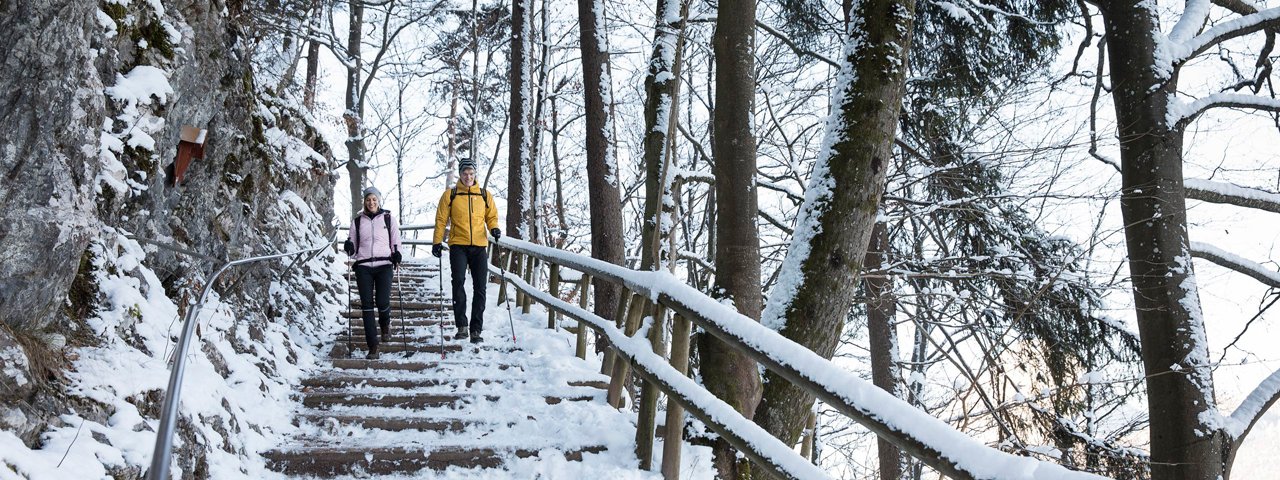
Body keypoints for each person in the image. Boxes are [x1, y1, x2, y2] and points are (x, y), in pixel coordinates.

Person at [432, 159, 500, 343]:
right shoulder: (451, 195)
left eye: (471, 173)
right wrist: (437, 241)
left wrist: (494, 228)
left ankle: (476, 329)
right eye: (465, 174)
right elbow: (441, 220)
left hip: (479, 245)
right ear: (460, 175)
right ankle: (462, 326)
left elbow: (491, 216)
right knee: (458, 283)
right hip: (458, 245)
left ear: (475, 174)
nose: (468, 177)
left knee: (480, 288)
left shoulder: (485, 195)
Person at [343, 186, 403, 359]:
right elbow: (352, 248)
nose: (371, 202)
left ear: (379, 200)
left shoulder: (388, 218)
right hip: (363, 266)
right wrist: (349, 247)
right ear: (364, 201)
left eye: (374, 199)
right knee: (367, 305)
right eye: (368, 200)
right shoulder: (357, 221)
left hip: (384, 264)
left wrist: (397, 254)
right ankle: (373, 346)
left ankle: (385, 324)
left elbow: (396, 241)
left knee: (382, 301)